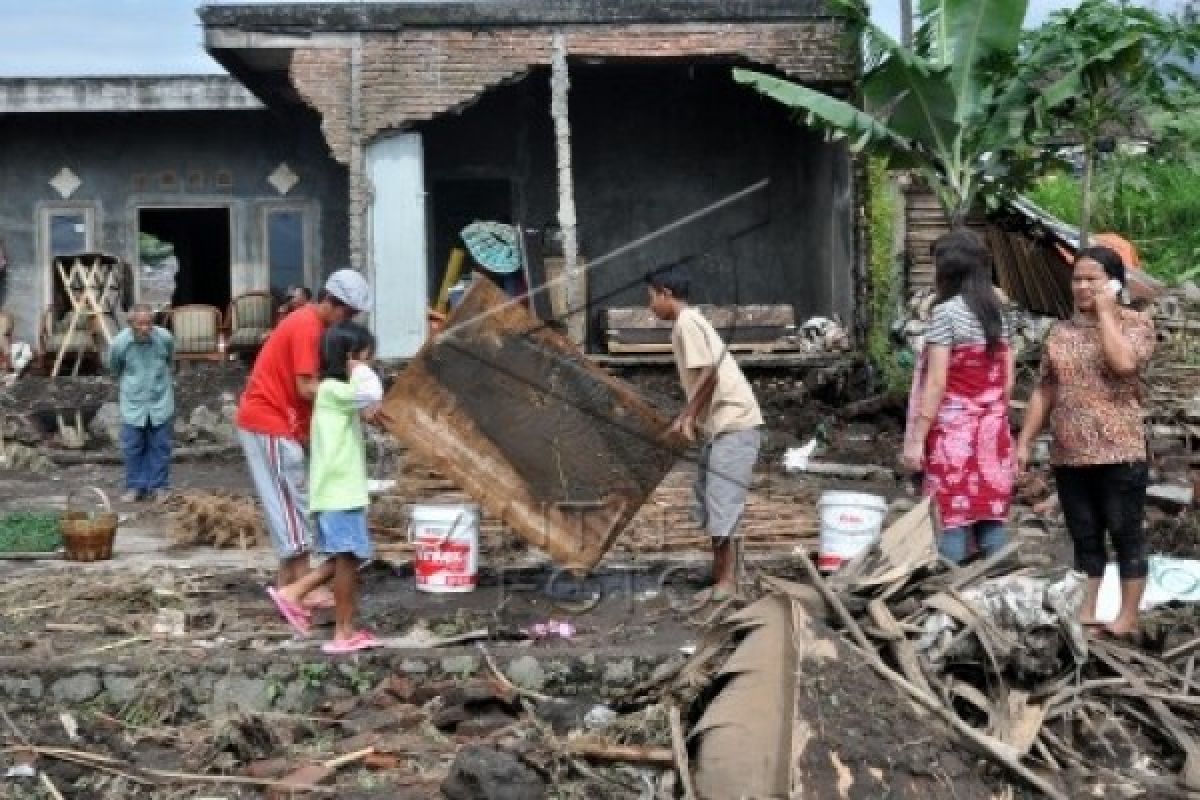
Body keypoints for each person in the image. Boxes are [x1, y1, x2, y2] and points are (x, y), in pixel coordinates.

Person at [1016, 246, 1155, 638]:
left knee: (1126, 534)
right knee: (1084, 537)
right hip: (1070, 454)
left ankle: (1127, 618)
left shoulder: (1136, 324)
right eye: (1077, 279)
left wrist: (1108, 313)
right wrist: (1024, 441)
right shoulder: (1060, 333)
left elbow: (1124, 364)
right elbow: (1045, 389)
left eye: (1092, 279)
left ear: (1114, 284)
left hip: (1119, 452)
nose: (1082, 286)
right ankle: (1087, 611)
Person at [237, 269, 374, 607]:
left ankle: (288, 585)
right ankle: (303, 586)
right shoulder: (307, 326)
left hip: (279, 420)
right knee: (290, 502)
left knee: (291, 498)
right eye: (349, 314)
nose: (348, 322)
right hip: (270, 418)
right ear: (334, 304)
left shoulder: (311, 324)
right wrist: (352, 397)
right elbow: (306, 387)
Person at [647, 266, 763, 601]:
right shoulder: (688, 322)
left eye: (651, 298)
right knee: (711, 498)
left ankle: (727, 582)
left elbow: (710, 374)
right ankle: (720, 573)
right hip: (723, 426)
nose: (650, 306)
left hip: (735, 424)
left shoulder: (687, 323)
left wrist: (687, 416)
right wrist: (690, 417)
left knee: (723, 501)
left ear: (666, 293)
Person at [268, 322, 385, 653]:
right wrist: (359, 368)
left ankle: (297, 595)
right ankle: (341, 632)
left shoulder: (335, 394)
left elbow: (367, 403)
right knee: (347, 560)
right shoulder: (333, 389)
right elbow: (372, 391)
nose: (371, 363)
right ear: (351, 356)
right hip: (339, 492)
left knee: (349, 557)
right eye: (367, 356)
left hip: (339, 491)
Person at [902, 229, 1016, 564]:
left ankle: (949, 588)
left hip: (953, 438)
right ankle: (997, 586)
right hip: (993, 435)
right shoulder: (999, 312)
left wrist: (916, 439)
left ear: (948, 270)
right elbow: (1007, 381)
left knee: (951, 519)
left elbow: (936, 383)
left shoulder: (946, 313)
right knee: (990, 518)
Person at [106, 304, 175, 503]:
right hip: (133, 402)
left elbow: (170, 360)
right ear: (131, 324)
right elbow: (114, 367)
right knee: (133, 446)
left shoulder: (164, 338)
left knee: (160, 446)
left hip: (160, 400)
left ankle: (159, 487)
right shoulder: (120, 343)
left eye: (149, 323)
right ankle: (135, 486)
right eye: (140, 324)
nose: (145, 328)